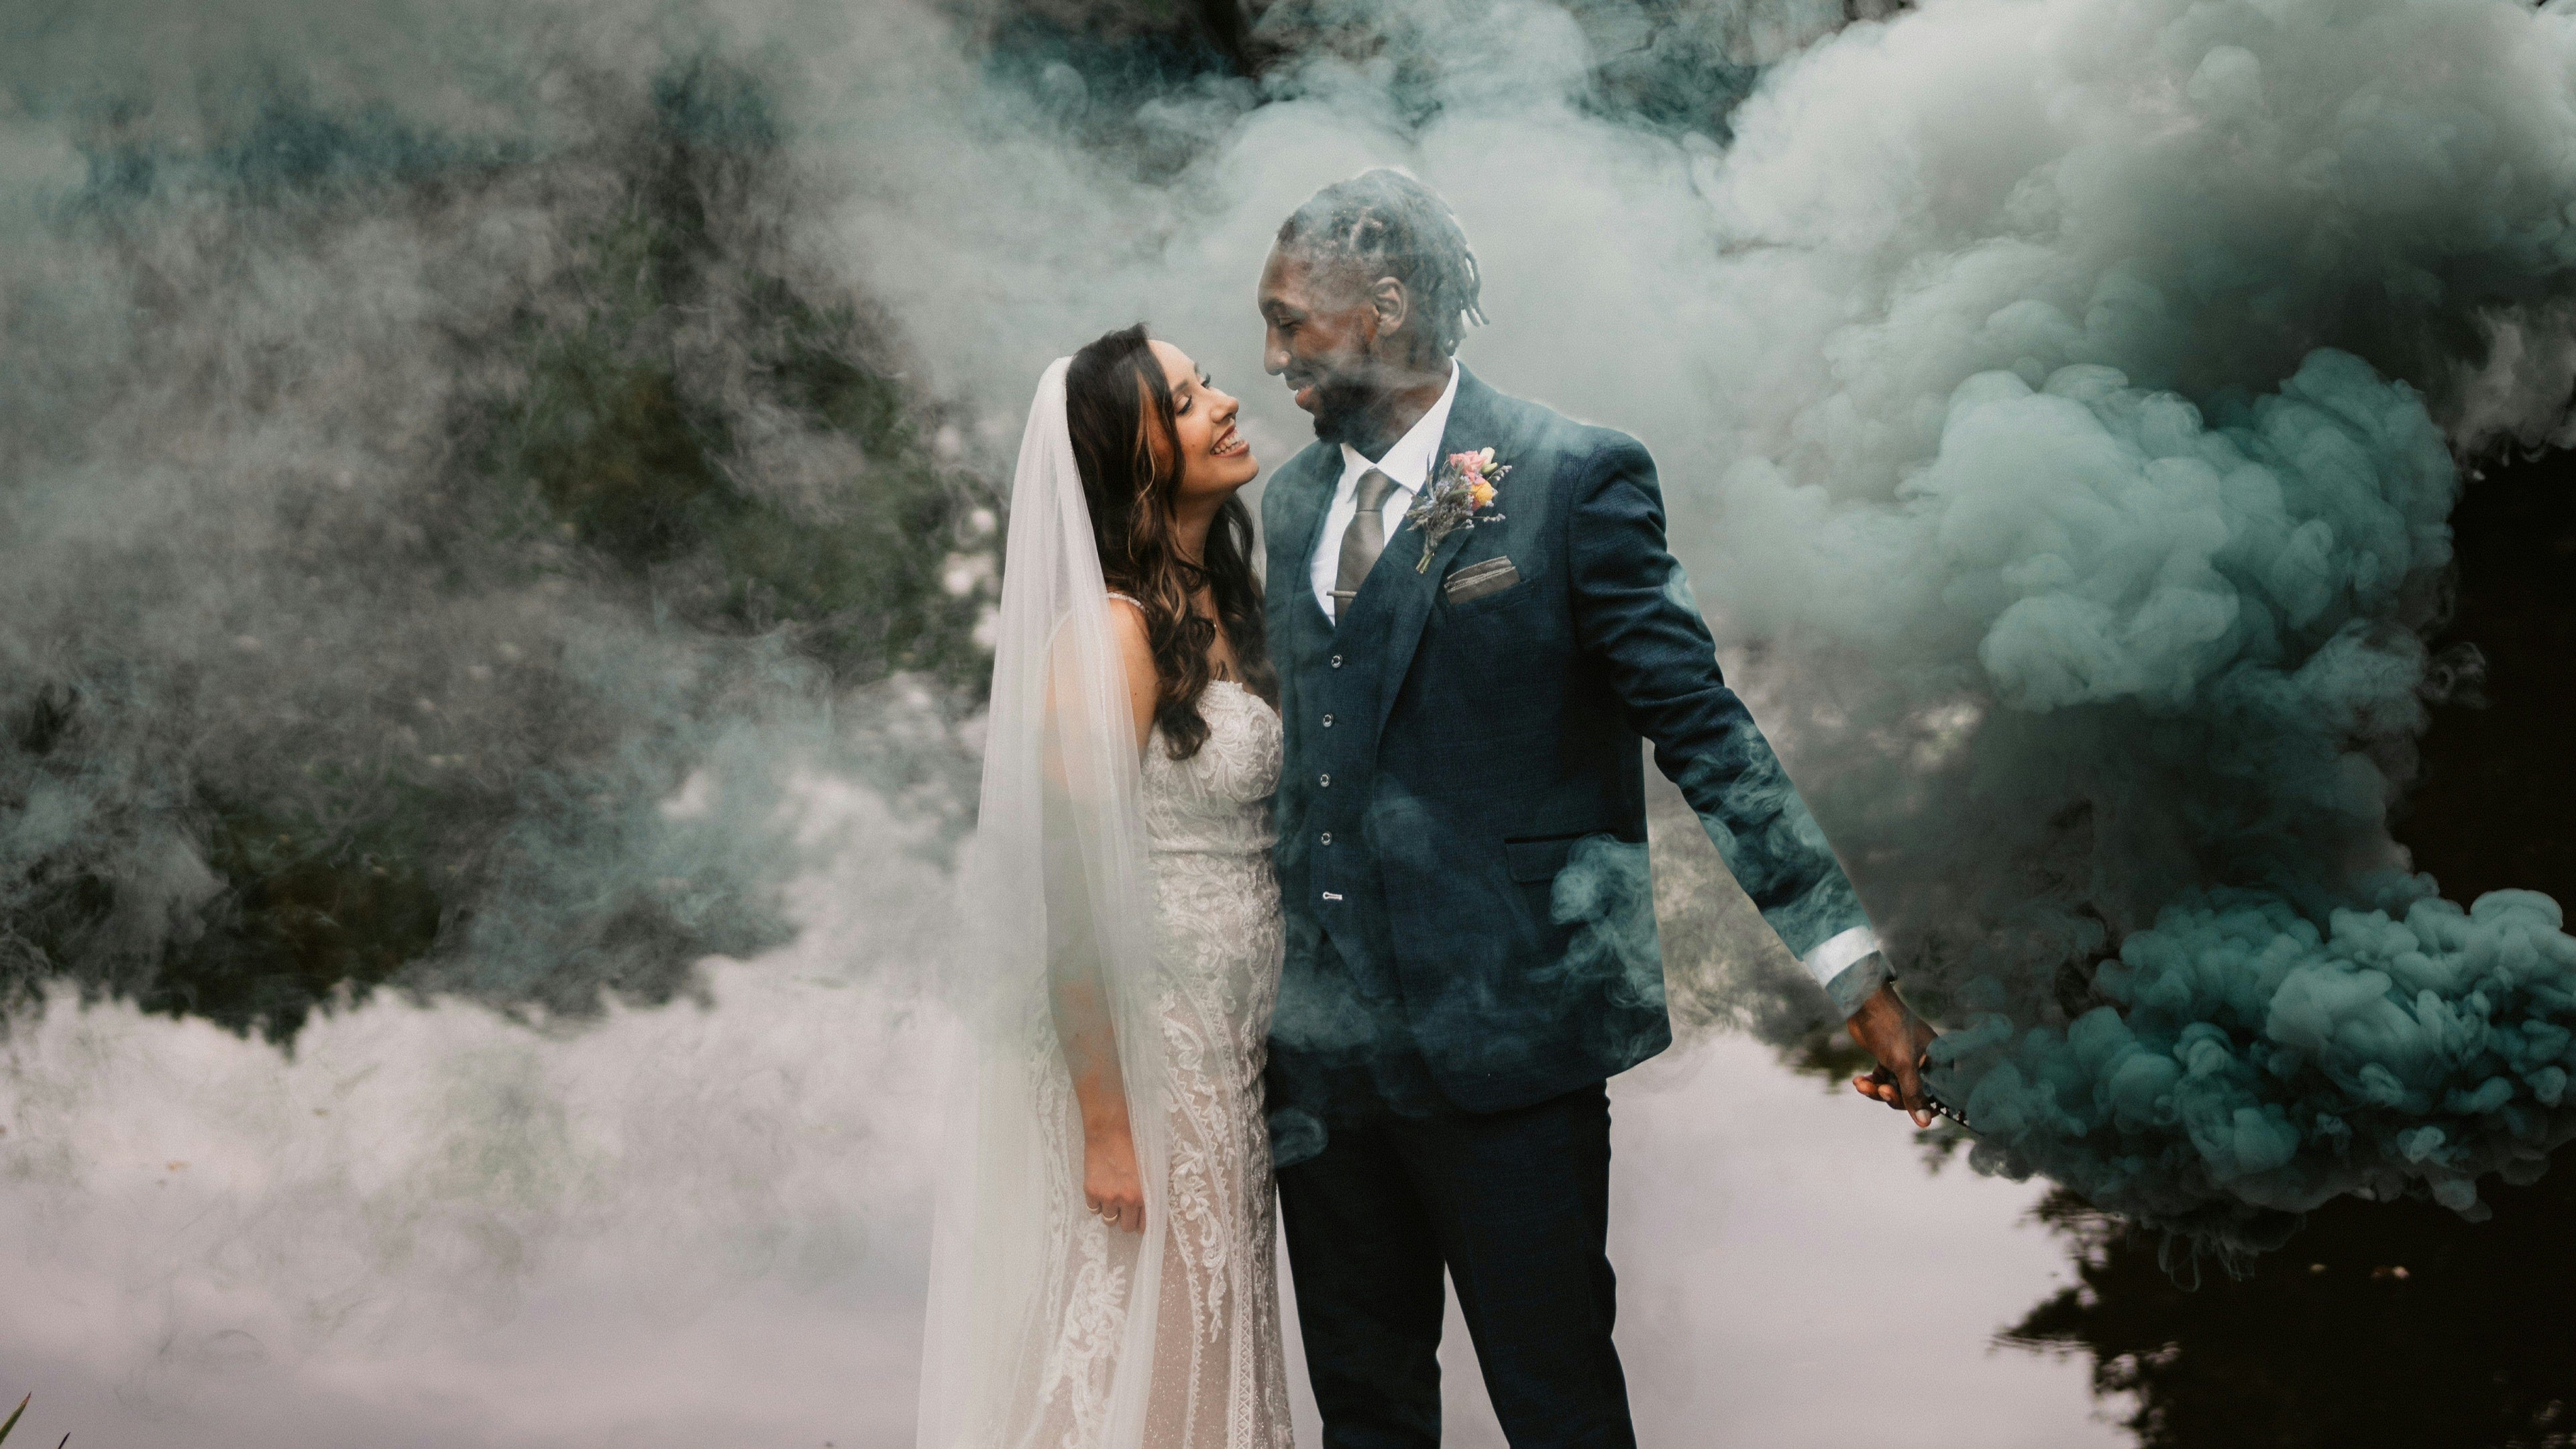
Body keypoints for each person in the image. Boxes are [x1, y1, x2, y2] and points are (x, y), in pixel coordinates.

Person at [1255, 167, 1939, 1449]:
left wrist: (1852, 972)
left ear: (1386, 309)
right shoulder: (1290, 504)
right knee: (1365, 1413)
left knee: (1558, 1403)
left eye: (1293, 319)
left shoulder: (1574, 481)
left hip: (1512, 1042)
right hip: (1321, 1062)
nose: (1275, 351)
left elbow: (1706, 735)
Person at [916, 325, 1295, 1449]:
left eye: (1206, 382)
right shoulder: (1111, 637)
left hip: (1232, 1058)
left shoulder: (1228, 604)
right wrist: (1108, 1126)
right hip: (1145, 1055)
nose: (1224, 402)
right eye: (1185, 401)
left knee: (1208, 1342)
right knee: (1139, 1343)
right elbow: (1071, 903)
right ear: (1135, 458)